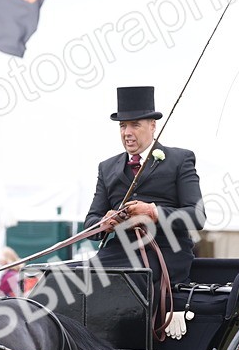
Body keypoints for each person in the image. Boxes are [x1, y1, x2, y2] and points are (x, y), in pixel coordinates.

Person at [84, 86, 205, 289]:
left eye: (135, 125)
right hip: (119, 252)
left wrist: (153, 212)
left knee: (128, 282)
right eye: (123, 126)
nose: (127, 133)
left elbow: (197, 216)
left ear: (152, 125)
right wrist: (106, 222)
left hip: (165, 252)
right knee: (72, 278)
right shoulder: (106, 168)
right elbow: (90, 223)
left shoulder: (180, 159)